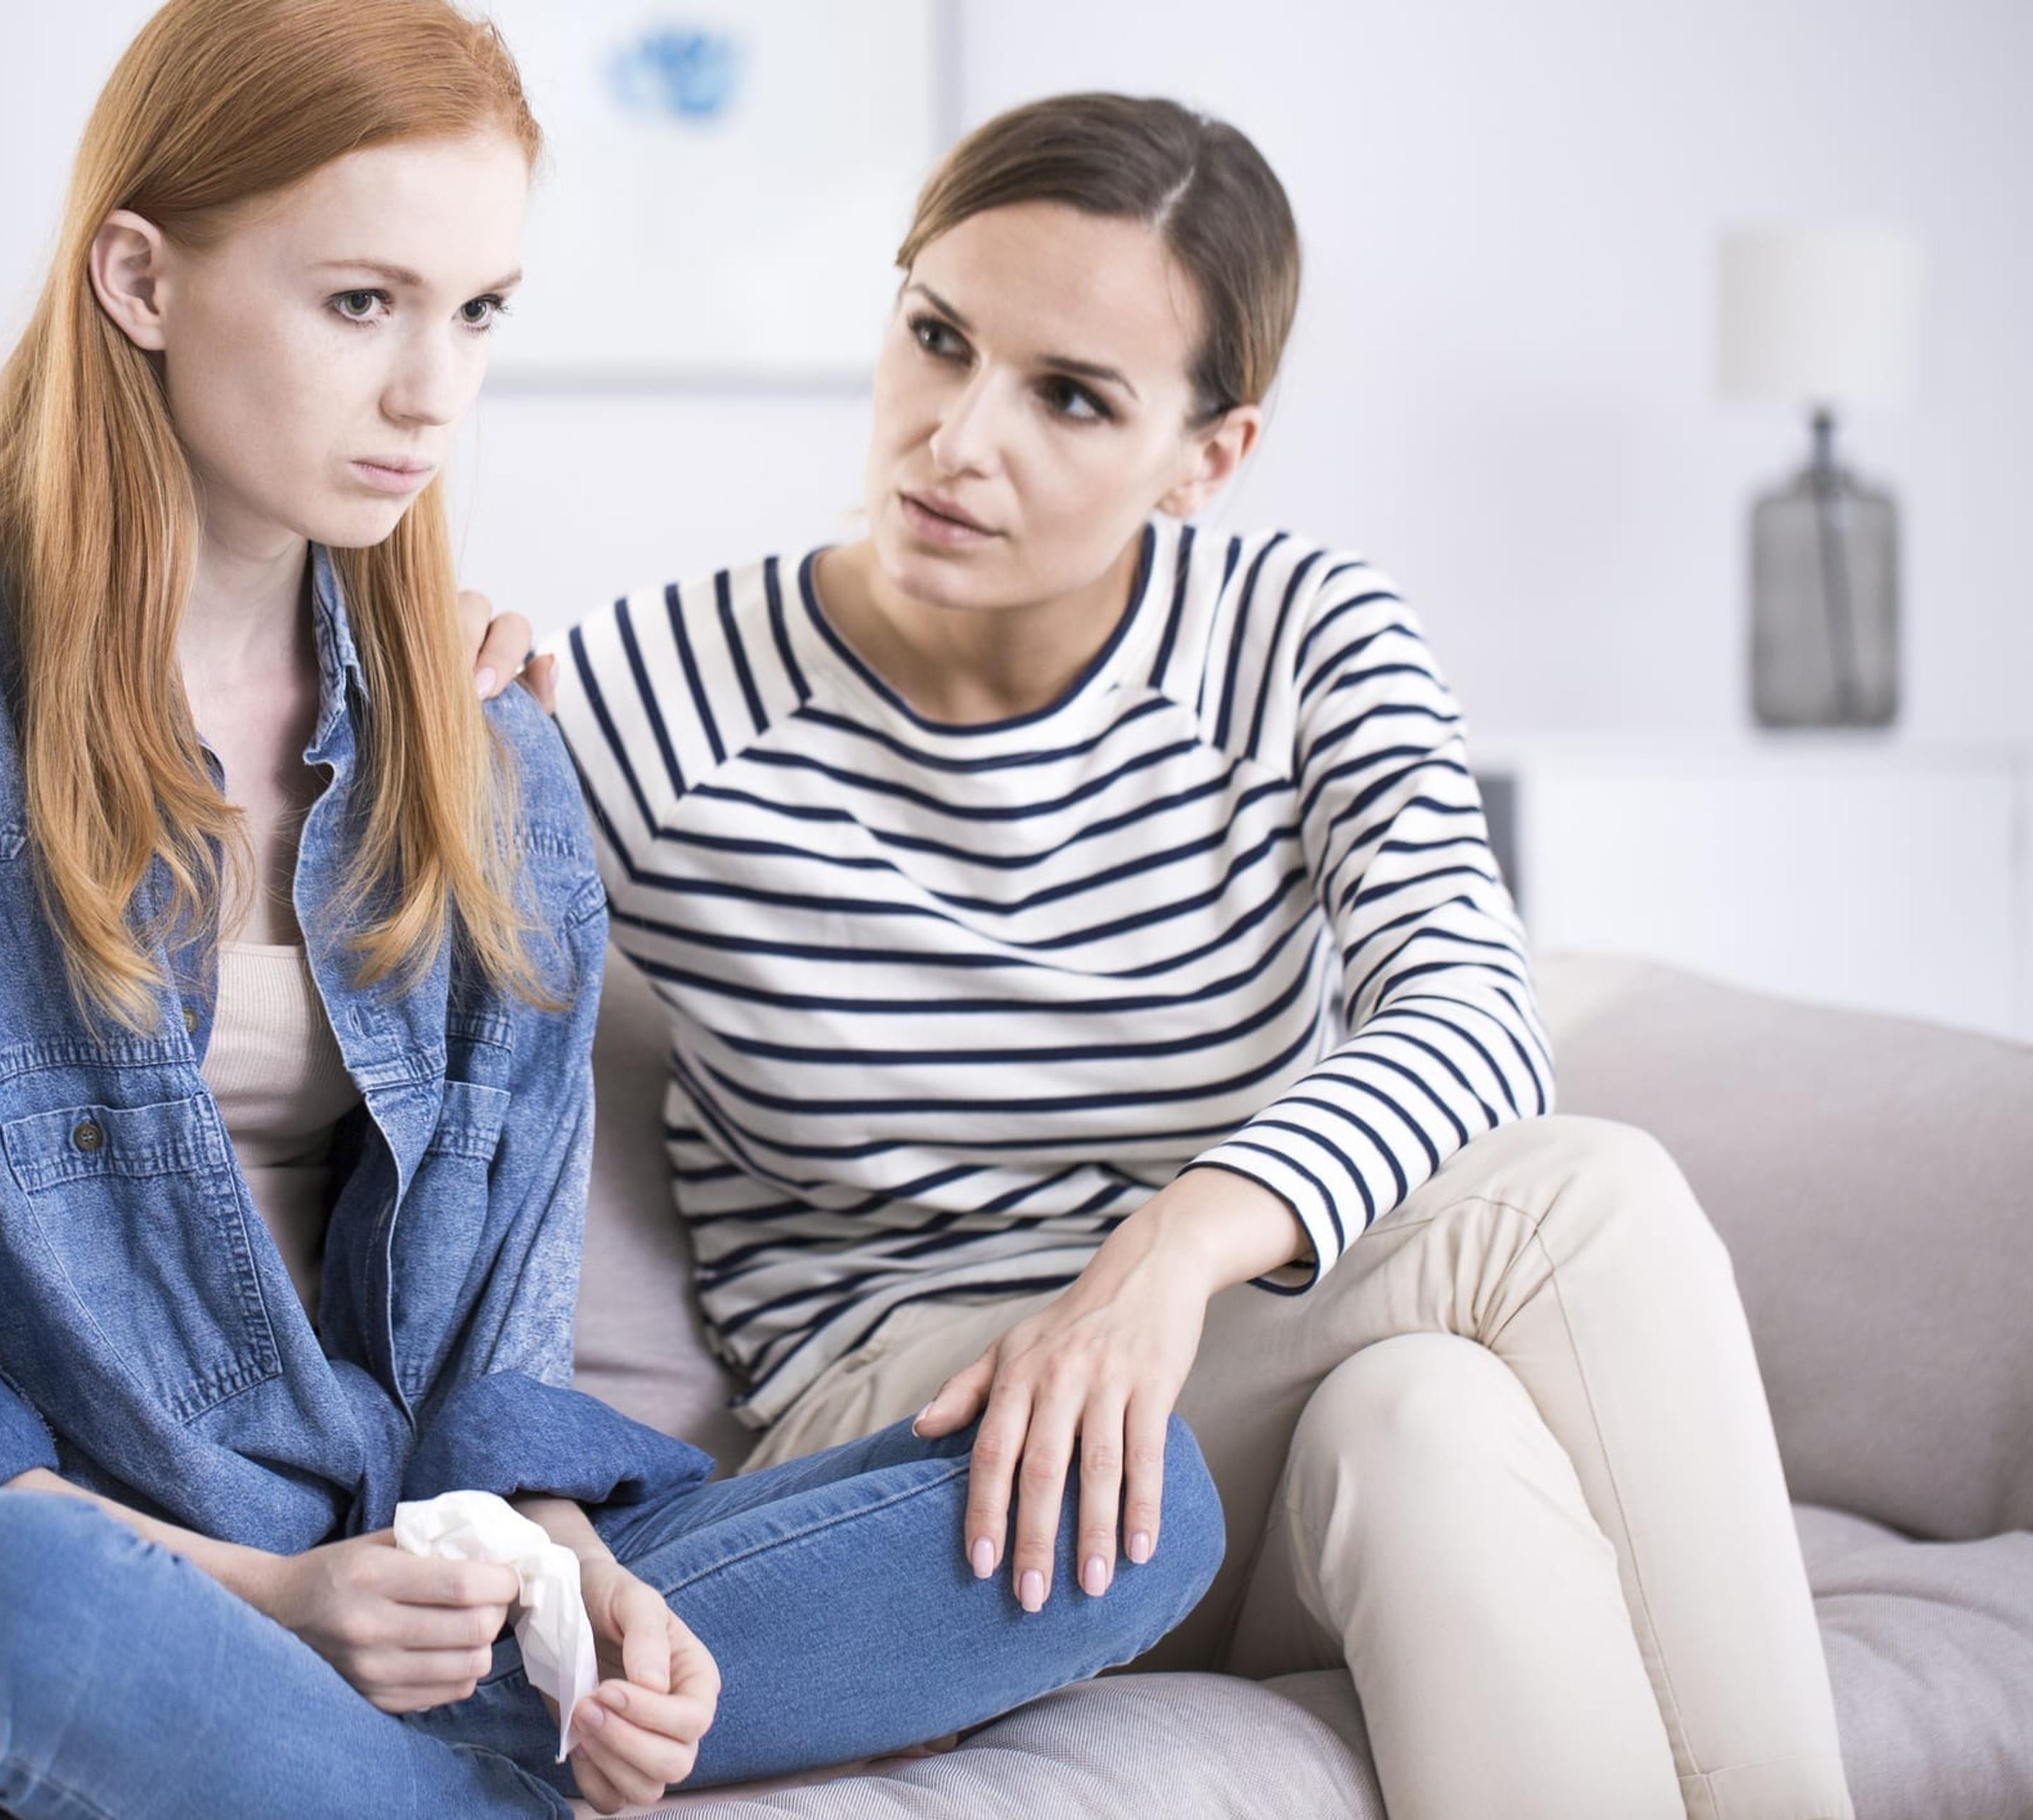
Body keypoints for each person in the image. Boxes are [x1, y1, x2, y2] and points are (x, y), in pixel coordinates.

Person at [0, 11, 1224, 1819]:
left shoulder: (485, 769)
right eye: (360, 305)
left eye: (478, 311)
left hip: (403, 1592)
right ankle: (438, 1778)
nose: (432, 393)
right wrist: (276, 1604)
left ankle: (396, 1766)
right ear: (142, 280)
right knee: (12, 1601)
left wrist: (573, 1594)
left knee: (1128, 1503)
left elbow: (494, 1367)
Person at [534, 92, 1853, 1820]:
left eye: (1071, 396)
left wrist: (1163, 1262)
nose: (957, 438)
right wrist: (419, 681)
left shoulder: (1301, 637)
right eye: (937, 339)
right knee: (1577, 1207)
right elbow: (388, 987)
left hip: (1222, 1383)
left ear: (1207, 456)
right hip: (919, 1457)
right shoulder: (648, 699)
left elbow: (1470, 1010)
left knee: (1430, 1426)